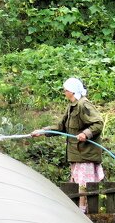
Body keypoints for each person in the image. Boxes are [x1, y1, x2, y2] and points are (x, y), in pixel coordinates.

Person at [32, 76, 105, 212]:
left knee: (84, 185)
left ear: (72, 91)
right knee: (78, 184)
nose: (64, 92)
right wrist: (43, 131)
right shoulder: (71, 107)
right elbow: (61, 127)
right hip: (77, 154)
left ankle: (84, 213)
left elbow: (98, 123)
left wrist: (86, 133)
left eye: (66, 90)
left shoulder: (84, 104)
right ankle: (81, 211)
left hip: (85, 154)